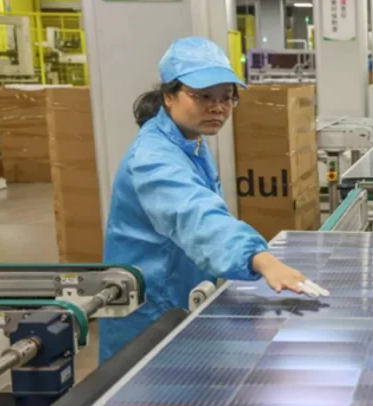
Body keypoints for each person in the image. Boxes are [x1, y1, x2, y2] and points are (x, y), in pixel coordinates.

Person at [99, 36, 327, 363]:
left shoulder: (190, 140)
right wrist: (261, 258)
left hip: (180, 301)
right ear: (169, 97)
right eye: (203, 96)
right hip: (151, 316)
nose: (217, 107)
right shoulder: (153, 160)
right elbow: (198, 218)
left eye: (226, 97)